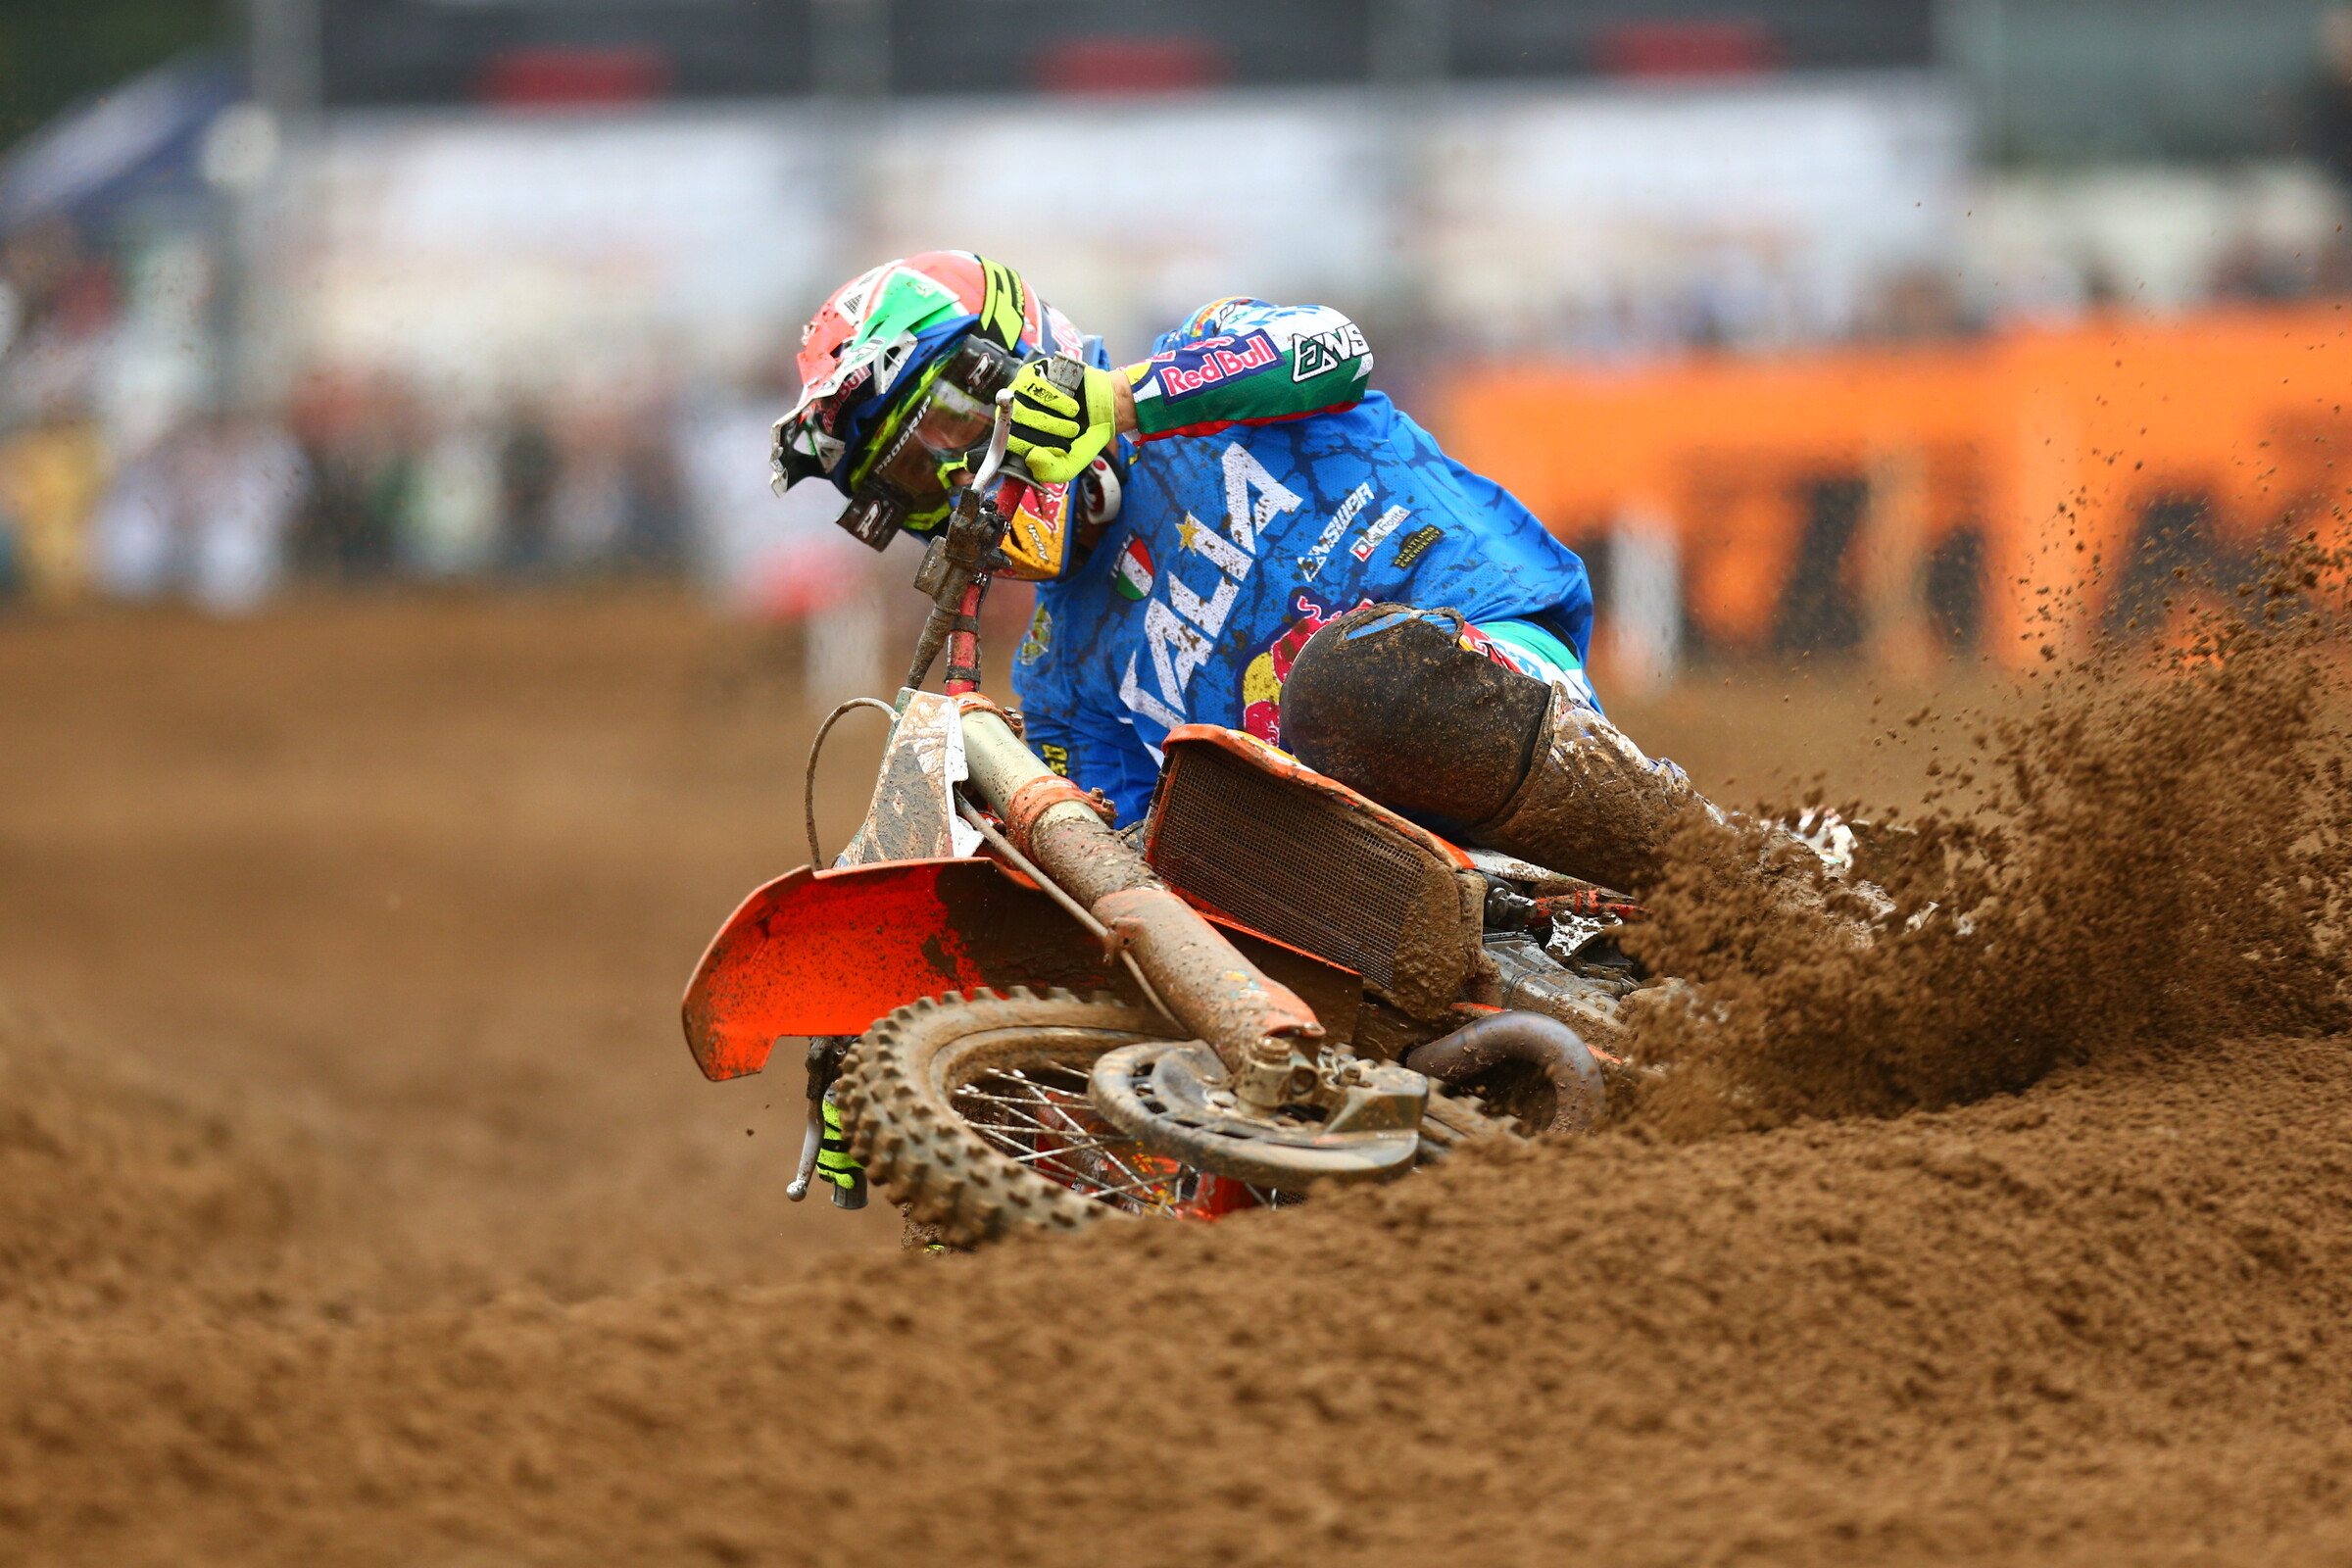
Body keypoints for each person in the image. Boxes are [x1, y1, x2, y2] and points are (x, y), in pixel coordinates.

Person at [770, 251, 1778, 896]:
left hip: (1480, 665)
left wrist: (1118, 402)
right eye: (915, 477)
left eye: (949, 426)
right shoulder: (1057, 674)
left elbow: (1334, 349)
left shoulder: (1203, 361)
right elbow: (1133, 874)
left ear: (1017, 350)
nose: (955, 476)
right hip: (1356, 862)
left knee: (1353, 679)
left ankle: (1728, 871)